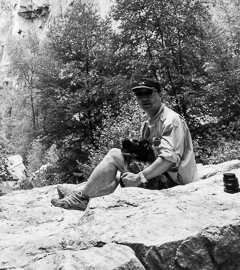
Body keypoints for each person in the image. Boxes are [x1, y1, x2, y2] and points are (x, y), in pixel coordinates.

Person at [51, 77, 199, 211]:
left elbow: (168, 160)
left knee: (114, 155)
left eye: (149, 93)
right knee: (118, 176)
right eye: (140, 95)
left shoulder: (171, 120)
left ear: (160, 94)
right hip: (163, 177)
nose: (144, 98)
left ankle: (80, 196)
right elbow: (154, 156)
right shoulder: (147, 125)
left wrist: (139, 177)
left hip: (176, 184)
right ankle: (81, 194)